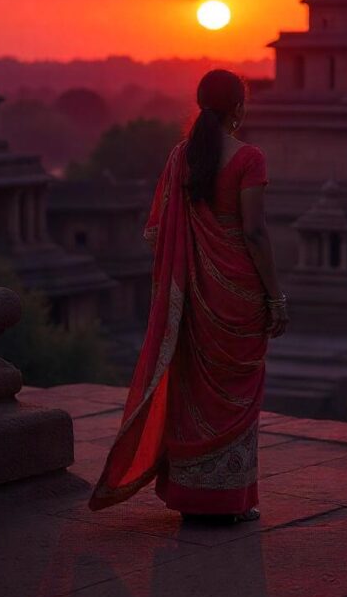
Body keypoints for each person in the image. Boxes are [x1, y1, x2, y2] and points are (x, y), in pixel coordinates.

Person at [88, 68, 288, 522]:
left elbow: (159, 233)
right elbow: (254, 233)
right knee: (235, 396)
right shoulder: (249, 159)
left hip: (195, 294)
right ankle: (230, 502)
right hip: (239, 294)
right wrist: (275, 297)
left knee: (195, 392)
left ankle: (196, 500)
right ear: (238, 107)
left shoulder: (182, 158)